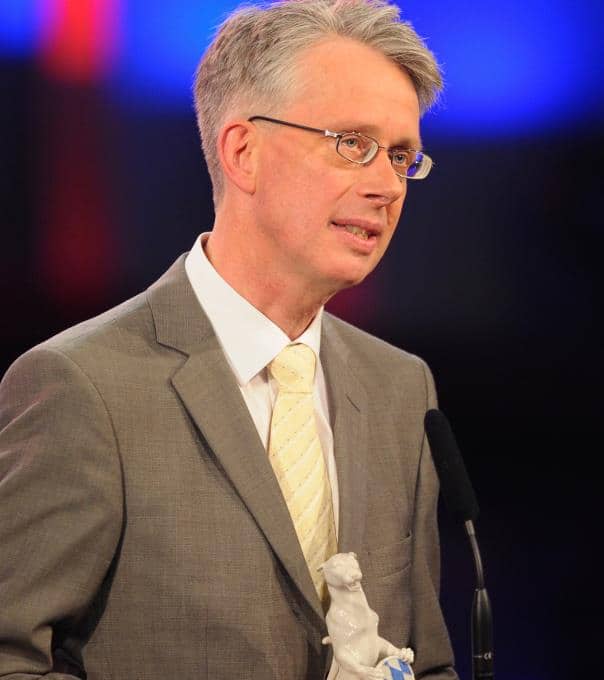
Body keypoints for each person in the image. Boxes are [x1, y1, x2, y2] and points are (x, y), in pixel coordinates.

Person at [0, 1, 457, 678]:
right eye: (352, 144)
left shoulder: (401, 387)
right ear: (244, 152)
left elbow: (427, 659)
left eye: (399, 156)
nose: (387, 186)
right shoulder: (83, 386)